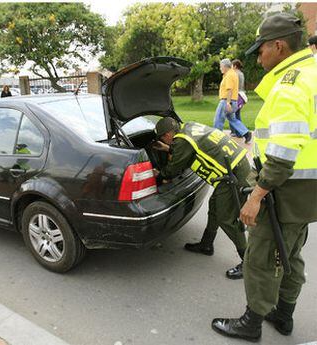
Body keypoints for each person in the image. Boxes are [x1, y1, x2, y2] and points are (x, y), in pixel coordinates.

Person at [212, 13, 317, 342]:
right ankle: (283, 314)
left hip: (283, 189)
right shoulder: (312, 74)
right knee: (289, 254)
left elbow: (283, 155)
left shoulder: (291, 85)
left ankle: (252, 322)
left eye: (261, 50)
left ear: (279, 46)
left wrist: (256, 197)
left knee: (261, 257)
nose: (258, 57)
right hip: (306, 192)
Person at [153, 117, 251, 279]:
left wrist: (160, 174)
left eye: (162, 137)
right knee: (214, 206)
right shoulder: (188, 127)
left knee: (227, 219)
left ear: (169, 134)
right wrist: (168, 149)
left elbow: (173, 169)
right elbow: (193, 147)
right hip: (236, 166)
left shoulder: (182, 141)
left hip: (232, 175)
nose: (164, 140)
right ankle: (206, 244)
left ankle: (249, 263)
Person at [213, 59, 252, 144]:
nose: (220, 68)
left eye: (221, 66)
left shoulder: (230, 75)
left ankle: (216, 138)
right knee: (233, 119)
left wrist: (227, 103)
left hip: (226, 101)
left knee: (218, 119)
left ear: (225, 66)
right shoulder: (232, 73)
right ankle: (246, 133)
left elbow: (229, 90)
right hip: (233, 101)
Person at [230, 59, 248, 137]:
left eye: (231, 65)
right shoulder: (241, 74)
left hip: (236, 95)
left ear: (235, 66)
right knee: (237, 114)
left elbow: (233, 86)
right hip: (241, 95)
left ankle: (236, 132)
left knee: (232, 114)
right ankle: (239, 132)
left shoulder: (235, 74)